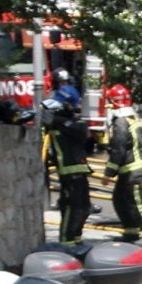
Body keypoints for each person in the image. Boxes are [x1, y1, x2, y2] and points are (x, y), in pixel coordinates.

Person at [47, 87, 96, 244]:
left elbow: (86, 140)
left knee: (83, 208)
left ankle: (75, 239)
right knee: (71, 208)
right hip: (70, 174)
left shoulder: (63, 122)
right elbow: (82, 132)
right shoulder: (60, 122)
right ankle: (66, 242)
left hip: (78, 172)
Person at [105, 89, 142, 243]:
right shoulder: (132, 118)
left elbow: (118, 149)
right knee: (120, 200)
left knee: (137, 202)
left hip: (132, 169)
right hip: (129, 168)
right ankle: (131, 231)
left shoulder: (120, 122)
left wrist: (108, 172)